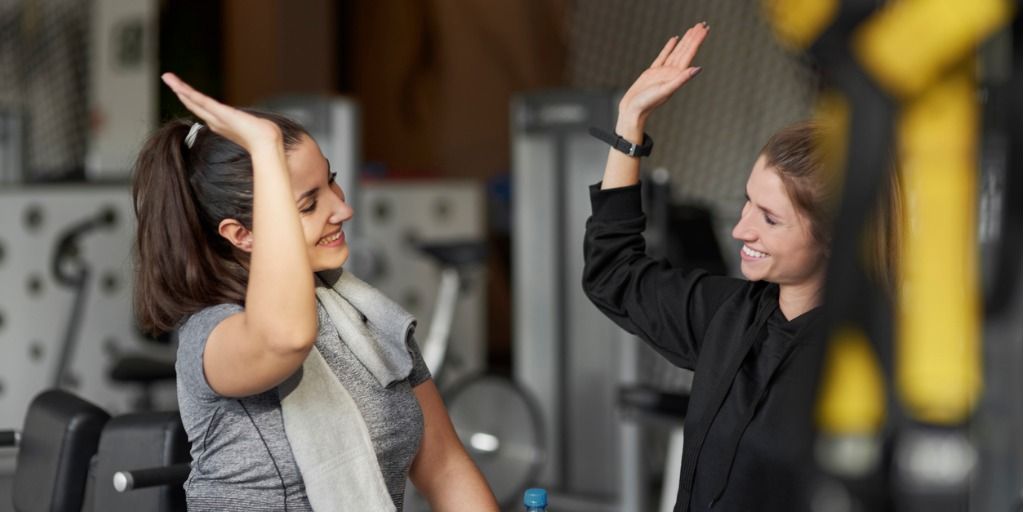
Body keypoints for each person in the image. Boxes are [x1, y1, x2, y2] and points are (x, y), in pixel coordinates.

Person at [132, 73, 499, 511]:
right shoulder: (212, 336)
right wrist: (264, 146)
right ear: (241, 234)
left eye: (332, 181)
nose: (342, 208)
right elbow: (287, 336)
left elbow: (444, 467)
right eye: (308, 204)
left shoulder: (366, 319)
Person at [581, 23, 899, 511]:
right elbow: (613, 273)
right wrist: (630, 121)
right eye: (746, 203)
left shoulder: (873, 362)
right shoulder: (727, 316)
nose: (741, 230)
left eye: (770, 219)